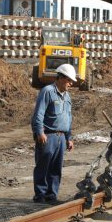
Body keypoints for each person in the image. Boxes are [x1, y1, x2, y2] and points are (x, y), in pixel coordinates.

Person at [31, 64, 76, 204]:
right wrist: (39, 132)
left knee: (56, 169)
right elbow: (38, 114)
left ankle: (51, 196)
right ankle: (40, 195)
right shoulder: (47, 91)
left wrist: (69, 138)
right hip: (48, 136)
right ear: (61, 78)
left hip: (61, 137)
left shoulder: (67, 96)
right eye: (69, 80)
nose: (71, 83)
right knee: (43, 166)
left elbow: (68, 117)